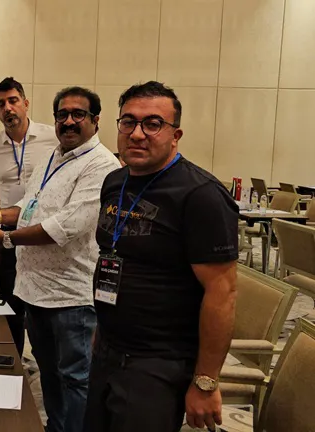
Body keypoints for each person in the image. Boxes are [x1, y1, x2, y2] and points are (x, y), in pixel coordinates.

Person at [84, 81, 238, 432]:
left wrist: (205, 381)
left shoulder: (201, 195)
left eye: (152, 124)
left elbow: (223, 292)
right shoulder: (114, 182)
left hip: (157, 364)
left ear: (175, 135)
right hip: (107, 349)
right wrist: (102, 328)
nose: (137, 133)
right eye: (128, 122)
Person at [0, 87, 120, 432]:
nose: (68, 121)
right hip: (35, 291)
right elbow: (29, 207)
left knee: (76, 379)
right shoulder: (53, 157)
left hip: (71, 297)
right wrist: (0, 215)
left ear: (96, 120)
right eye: (61, 115)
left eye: (78, 114)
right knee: (49, 372)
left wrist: (5, 238)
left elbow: (64, 226)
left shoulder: (102, 166)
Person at [0, 77, 59, 357]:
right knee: (10, 301)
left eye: (13, 101)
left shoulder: (53, 138)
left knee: (41, 305)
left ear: (25, 103)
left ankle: (44, 359)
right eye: (1, 104)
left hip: (44, 231)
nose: (8, 108)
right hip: (8, 231)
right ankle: (13, 359)